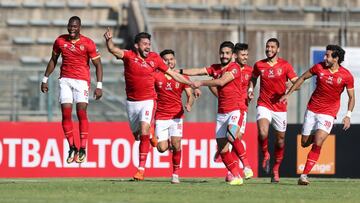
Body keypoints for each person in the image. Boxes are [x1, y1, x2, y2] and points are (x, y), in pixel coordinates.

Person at [104, 28, 193, 181]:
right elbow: (112, 49)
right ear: (137, 46)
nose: (148, 46)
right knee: (137, 136)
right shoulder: (129, 56)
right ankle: (151, 135)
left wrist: (191, 83)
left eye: (149, 44)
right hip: (132, 103)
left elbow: (173, 74)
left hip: (148, 101)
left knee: (144, 130)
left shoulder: (155, 58)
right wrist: (109, 40)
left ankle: (141, 169)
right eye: (144, 44)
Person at [280, 45, 355, 185]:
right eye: (325, 55)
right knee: (304, 143)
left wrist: (348, 115)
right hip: (312, 109)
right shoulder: (319, 67)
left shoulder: (346, 76)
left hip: (328, 113)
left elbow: (352, 97)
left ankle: (303, 176)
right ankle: (316, 136)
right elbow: (302, 78)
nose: (324, 58)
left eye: (327, 55)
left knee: (318, 141)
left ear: (336, 58)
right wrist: (288, 94)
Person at [40, 16, 103, 164]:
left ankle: (82, 147)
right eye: (70, 26)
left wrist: (99, 86)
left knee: (81, 113)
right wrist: (45, 79)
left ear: (80, 27)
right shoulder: (60, 41)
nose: (72, 29)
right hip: (65, 80)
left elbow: (98, 65)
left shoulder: (88, 43)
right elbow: (53, 60)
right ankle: (72, 147)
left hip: (82, 81)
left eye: (75, 26)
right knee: (66, 113)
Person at [183, 41, 246, 186]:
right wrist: (178, 72)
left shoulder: (235, 67)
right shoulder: (215, 68)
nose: (224, 56)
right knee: (222, 149)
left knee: (232, 135)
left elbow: (221, 82)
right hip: (221, 112)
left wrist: (201, 83)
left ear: (233, 55)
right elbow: (198, 71)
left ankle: (247, 165)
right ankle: (236, 176)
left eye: (227, 53)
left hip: (236, 109)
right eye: (222, 53)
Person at [248, 38, 298, 183]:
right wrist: (251, 89)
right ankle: (265, 154)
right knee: (263, 132)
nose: (269, 49)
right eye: (267, 47)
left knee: (280, 141)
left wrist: (290, 85)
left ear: (278, 49)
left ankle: (275, 169)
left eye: (272, 47)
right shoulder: (259, 65)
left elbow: (298, 83)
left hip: (280, 107)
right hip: (264, 104)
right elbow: (253, 78)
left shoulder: (285, 65)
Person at [154, 49, 195, 184]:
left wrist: (189, 104)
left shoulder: (181, 77)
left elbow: (190, 94)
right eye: (166, 60)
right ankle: (167, 144)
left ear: (175, 60)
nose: (169, 62)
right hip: (161, 116)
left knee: (177, 144)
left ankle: (175, 174)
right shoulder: (156, 76)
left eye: (171, 59)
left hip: (176, 116)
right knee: (161, 148)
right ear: (161, 62)